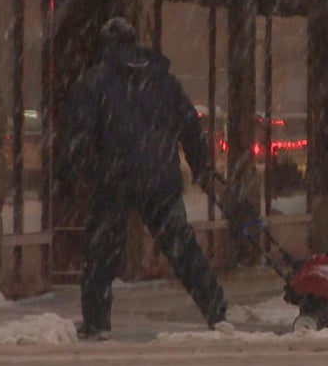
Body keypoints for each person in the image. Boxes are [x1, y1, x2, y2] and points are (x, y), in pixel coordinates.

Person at [59, 17, 228, 340]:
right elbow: (191, 127)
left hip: (115, 177)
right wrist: (201, 166)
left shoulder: (95, 81)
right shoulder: (164, 82)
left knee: (102, 251)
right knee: (181, 246)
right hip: (161, 177)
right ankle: (216, 309)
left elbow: (79, 135)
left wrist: (79, 173)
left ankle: (96, 321)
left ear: (106, 45)